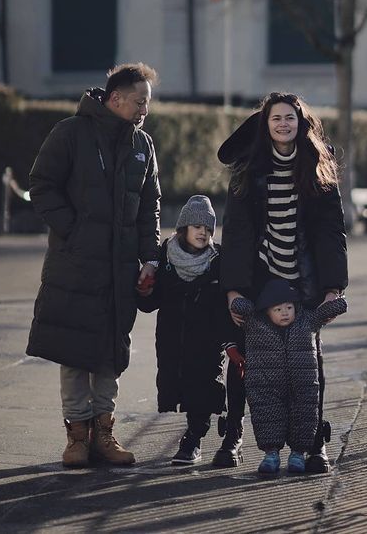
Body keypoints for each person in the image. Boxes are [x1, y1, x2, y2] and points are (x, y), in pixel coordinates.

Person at [26, 62, 161, 469]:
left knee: (110, 353)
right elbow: (41, 185)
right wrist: (75, 231)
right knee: (74, 351)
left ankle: (104, 435)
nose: (144, 111)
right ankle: (77, 439)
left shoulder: (143, 146)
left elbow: (150, 206)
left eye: (147, 104)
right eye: (140, 102)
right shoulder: (70, 133)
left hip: (120, 270)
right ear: (116, 98)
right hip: (76, 266)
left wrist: (151, 257)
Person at [218, 90, 348, 474]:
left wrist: (333, 285)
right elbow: (237, 230)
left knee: (309, 365)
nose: (283, 124)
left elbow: (331, 230)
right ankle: (236, 438)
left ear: (301, 123)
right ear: (265, 124)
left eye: (290, 118)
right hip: (261, 279)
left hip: (304, 280)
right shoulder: (249, 168)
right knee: (252, 362)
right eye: (275, 118)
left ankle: (313, 445)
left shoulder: (318, 165)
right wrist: (234, 289)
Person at [136, 195, 242, 466]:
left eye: (208, 228)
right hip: (173, 339)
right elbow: (151, 302)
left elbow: (222, 308)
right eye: (197, 227)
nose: (203, 233)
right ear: (183, 228)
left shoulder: (218, 261)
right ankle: (193, 433)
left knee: (203, 388)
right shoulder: (165, 256)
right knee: (179, 385)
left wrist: (229, 342)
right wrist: (145, 291)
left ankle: (193, 439)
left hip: (206, 341)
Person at [230, 279, 346, 476]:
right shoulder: (255, 325)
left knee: (304, 417)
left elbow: (333, 308)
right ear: (266, 311)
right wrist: (233, 294)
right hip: (266, 386)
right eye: (277, 309)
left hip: (302, 384)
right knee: (267, 418)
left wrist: (336, 297)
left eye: (289, 307)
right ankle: (271, 455)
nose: (284, 312)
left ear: (296, 307)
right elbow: (239, 305)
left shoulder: (307, 321)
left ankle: (298, 454)